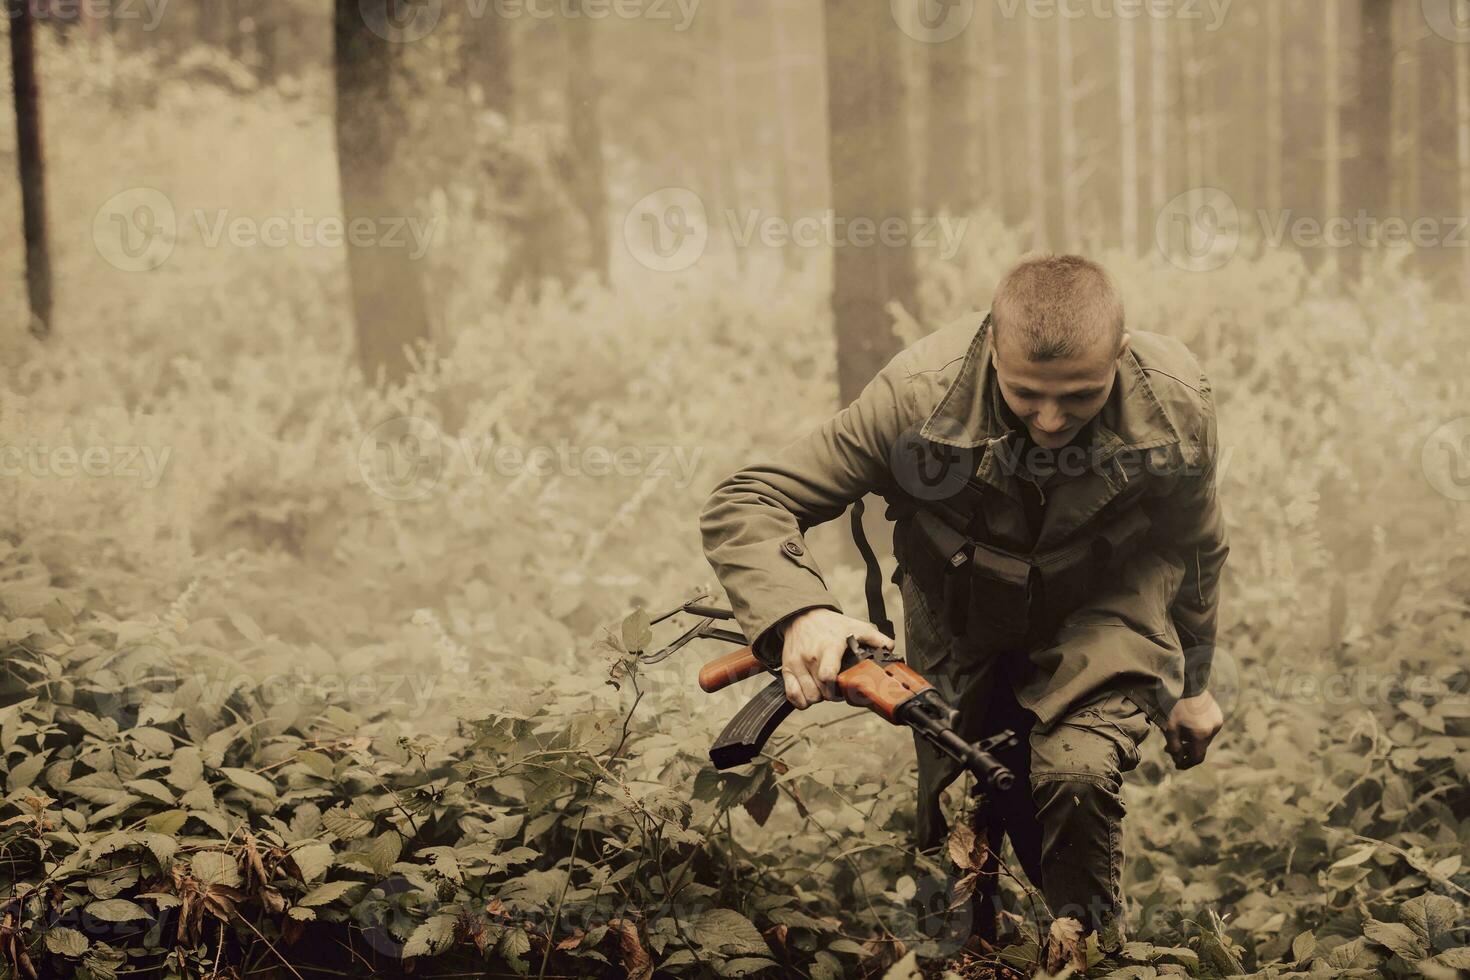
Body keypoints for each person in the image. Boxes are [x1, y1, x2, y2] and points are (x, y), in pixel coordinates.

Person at [698, 254, 1229, 952]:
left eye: (1079, 396)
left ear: (1121, 358)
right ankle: (985, 948)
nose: (1050, 420)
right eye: (1026, 392)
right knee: (987, 778)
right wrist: (800, 613)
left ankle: (1097, 954)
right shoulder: (919, 397)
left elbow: (1194, 546)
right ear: (992, 345)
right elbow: (752, 498)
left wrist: (1194, 686)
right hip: (960, 609)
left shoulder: (1174, 403)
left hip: (1105, 609)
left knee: (1074, 775)